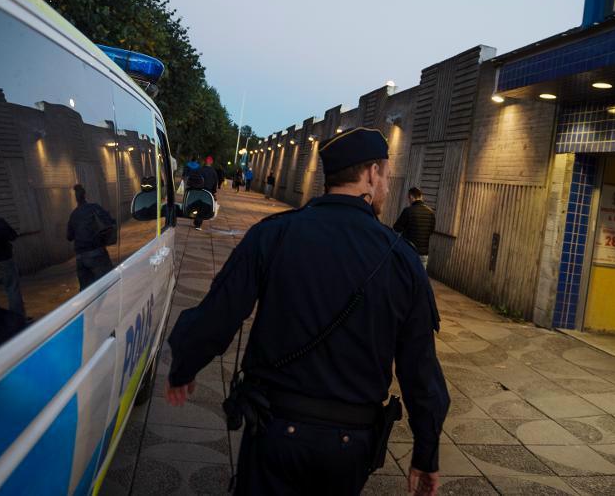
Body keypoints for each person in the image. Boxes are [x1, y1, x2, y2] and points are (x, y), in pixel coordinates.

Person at [166, 127, 449, 496]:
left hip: (273, 431)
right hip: (350, 447)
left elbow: (219, 312)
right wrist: (426, 454)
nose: (388, 185)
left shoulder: (275, 234)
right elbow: (421, 370)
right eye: (386, 175)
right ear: (371, 175)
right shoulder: (402, 258)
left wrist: (185, 364)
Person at [67, 184, 116, 289]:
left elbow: (69, 236)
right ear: (85, 195)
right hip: (97, 254)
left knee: (86, 292)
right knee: (109, 284)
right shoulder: (94, 208)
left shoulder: (73, 214)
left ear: (76, 198)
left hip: (81, 258)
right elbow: (109, 222)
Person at [393, 187, 437, 269]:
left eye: (409, 198)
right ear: (421, 197)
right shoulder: (431, 212)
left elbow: (396, 228)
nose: (409, 201)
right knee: (420, 280)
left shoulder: (408, 211)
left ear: (411, 197)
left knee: (406, 278)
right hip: (423, 254)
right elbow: (431, 231)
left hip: (408, 252)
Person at [191, 162, 219, 230]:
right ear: (211, 163)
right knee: (203, 207)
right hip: (208, 192)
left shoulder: (200, 169)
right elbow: (215, 183)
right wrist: (214, 192)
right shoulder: (213, 172)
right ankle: (198, 223)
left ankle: (196, 220)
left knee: (198, 205)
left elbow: (194, 179)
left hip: (199, 190)